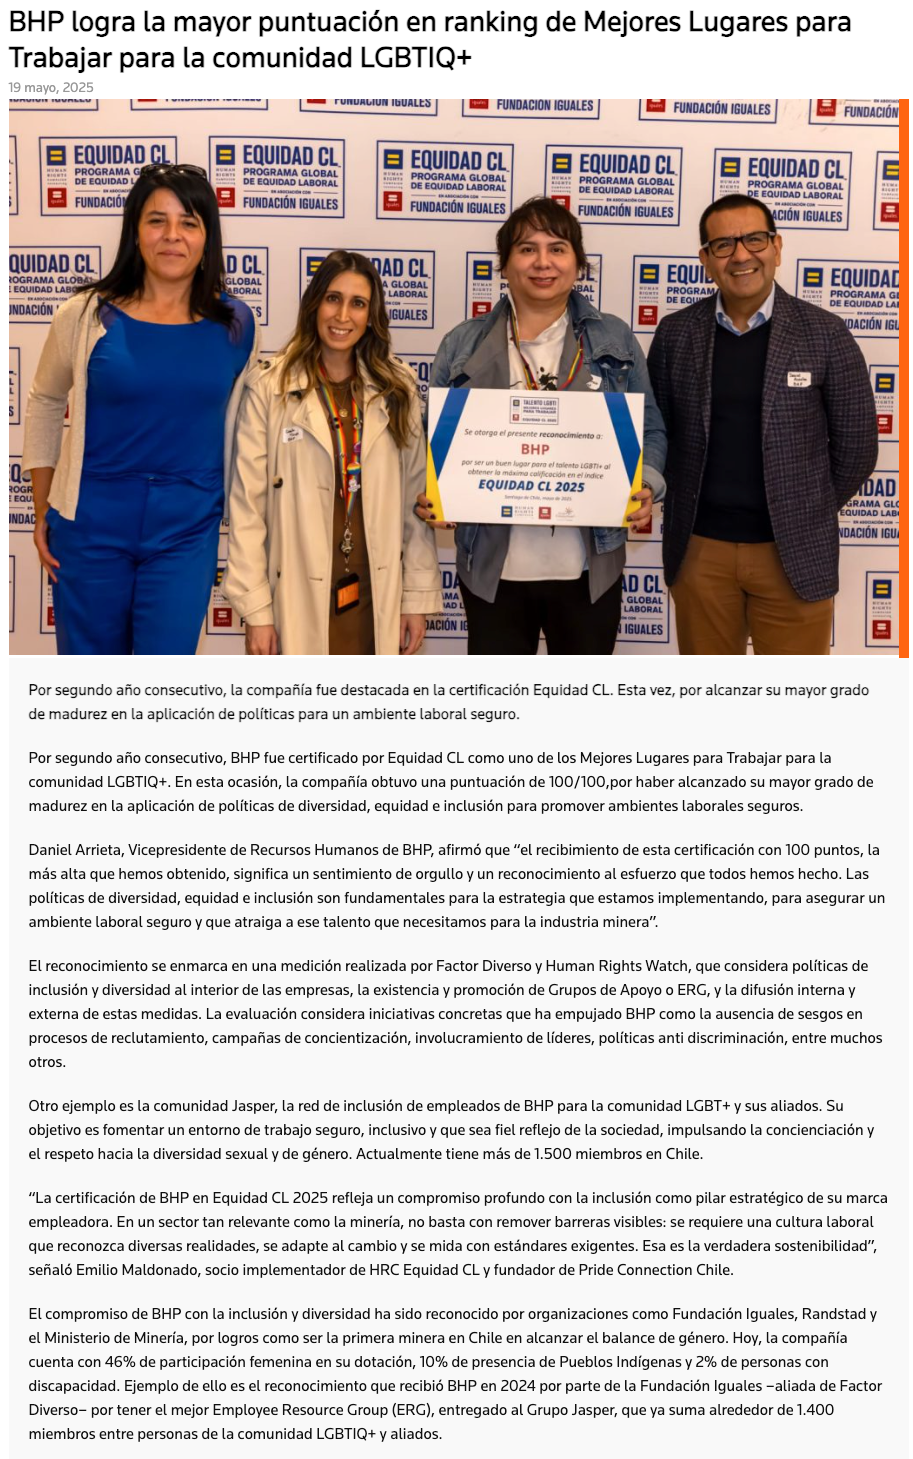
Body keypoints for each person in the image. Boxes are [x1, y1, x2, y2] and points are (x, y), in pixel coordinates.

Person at [23, 163, 258, 655]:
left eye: (188, 223)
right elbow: (45, 399)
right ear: (135, 231)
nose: (172, 235)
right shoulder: (85, 314)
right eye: (157, 221)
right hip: (90, 522)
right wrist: (43, 507)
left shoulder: (236, 323)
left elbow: (248, 426)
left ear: (207, 238)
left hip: (187, 528)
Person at [418, 197, 666, 655]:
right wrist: (436, 492)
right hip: (493, 570)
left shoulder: (614, 338)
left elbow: (650, 430)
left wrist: (646, 483)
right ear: (505, 264)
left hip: (589, 569)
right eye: (527, 249)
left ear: (578, 262)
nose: (542, 262)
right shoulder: (462, 344)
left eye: (557, 248)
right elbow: (431, 442)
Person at [647, 193, 878, 656]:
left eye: (754, 239)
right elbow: (657, 433)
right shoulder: (675, 334)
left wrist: (804, 510)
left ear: (776, 246)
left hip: (794, 553)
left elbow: (856, 447)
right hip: (700, 553)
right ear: (705, 259)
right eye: (723, 245)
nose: (741, 255)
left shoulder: (826, 333)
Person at [224, 251, 441, 655]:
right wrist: (256, 610)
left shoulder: (398, 390)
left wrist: (415, 597)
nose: (343, 316)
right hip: (294, 594)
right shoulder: (269, 388)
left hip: (376, 591)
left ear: (371, 316)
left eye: (358, 303)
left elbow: (414, 503)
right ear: (314, 304)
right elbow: (247, 508)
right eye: (333, 299)